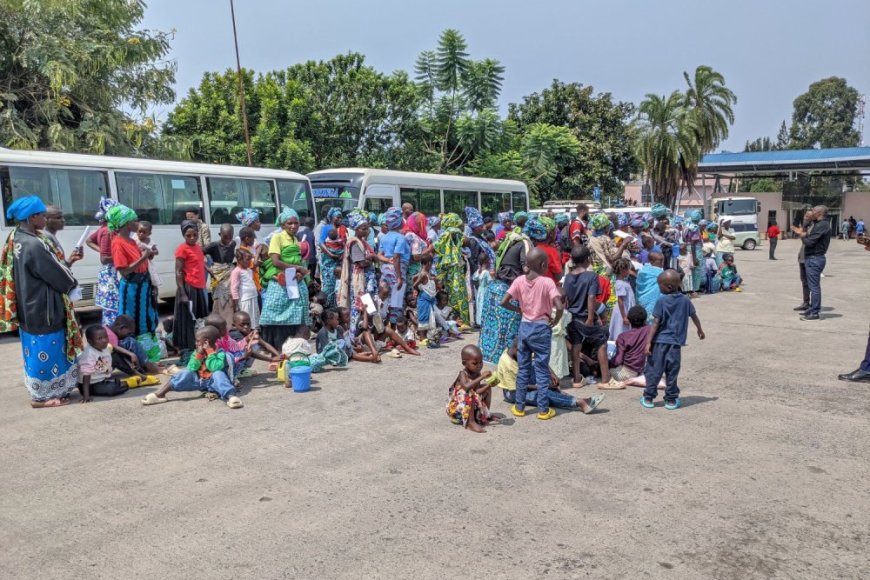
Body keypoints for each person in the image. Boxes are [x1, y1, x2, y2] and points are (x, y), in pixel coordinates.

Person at [1, 196, 82, 407]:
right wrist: (72, 285)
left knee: (33, 348)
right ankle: (44, 397)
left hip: (28, 304)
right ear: (32, 217)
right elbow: (55, 273)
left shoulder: (16, 237)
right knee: (49, 347)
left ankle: (41, 391)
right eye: (43, 216)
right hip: (43, 307)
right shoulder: (33, 244)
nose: (46, 220)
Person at [500, 247, 564, 420]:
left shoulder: (519, 281)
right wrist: (556, 320)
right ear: (543, 265)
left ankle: (519, 407)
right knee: (542, 370)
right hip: (541, 328)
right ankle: (543, 410)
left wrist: (519, 309)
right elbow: (559, 306)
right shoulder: (547, 282)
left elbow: (503, 301)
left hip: (524, 328)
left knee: (523, 369)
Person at [640, 270, 705, 410]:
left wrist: (648, 342)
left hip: (659, 342)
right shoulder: (686, 300)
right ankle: (671, 399)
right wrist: (700, 330)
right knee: (672, 371)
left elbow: (655, 323)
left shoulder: (661, 301)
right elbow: (694, 316)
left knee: (654, 370)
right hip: (675, 343)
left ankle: (649, 397)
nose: (659, 288)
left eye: (660, 285)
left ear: (668, 287)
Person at [142, 326, 243, 409]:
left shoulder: (221, 354)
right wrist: (198, 355)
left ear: (206, 342)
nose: (196, 343)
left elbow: (214, 367)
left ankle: (231, 396)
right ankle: (161, 394)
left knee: (218, 373)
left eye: (198, 341)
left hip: (215, 383)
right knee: (185, 372)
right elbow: (191, 367)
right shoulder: (198, 352)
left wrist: (210, 352)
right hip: (200, 382)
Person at [107, 204, 161, 362]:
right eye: (134, 220)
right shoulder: (118, 243)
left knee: (146, 318)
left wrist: (148, 256)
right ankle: (137, 357)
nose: (137, 223)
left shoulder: (131, 240)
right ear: (125, 222)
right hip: (131, 290)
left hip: (143, 288)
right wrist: (144, 258)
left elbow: (141, 262)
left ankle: (149, 356)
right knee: (131, 322)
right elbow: (124, 271)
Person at [493, 341, 604, 413]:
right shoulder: (507, 363)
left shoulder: (521, 349)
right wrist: (540, 386)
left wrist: (552, 374)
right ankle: (579, 402)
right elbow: (518, 387)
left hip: (523, 381)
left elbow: (538, 359)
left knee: (537, 368)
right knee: (542, 394)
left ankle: (558, 394)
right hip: (513, 393)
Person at [478, 219, 534, 363]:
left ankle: (489, 356)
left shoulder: (511, 240)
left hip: (494, 289)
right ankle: (507, 359)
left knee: (493, 327)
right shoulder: (525, 243)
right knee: (509, 327)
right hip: (508, 290)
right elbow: (526, 268)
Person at [564, 245, 619, 390]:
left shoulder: (568, 277)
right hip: (585, 317)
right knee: (601, 343)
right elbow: (591, 297)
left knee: (576, 345)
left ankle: (577, 379)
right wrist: (590, 317)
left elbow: (566, 299)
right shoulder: (592, 276)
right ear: (587, 259)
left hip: (572, 316)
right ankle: (606, 379)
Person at [260, 208, 311, 347]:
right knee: (279, 313)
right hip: (281, 278)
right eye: (290, 223)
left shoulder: (295, 239)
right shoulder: (278, 237)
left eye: (296, 223)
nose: (293, 226)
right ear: (283, 225)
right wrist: (298, 268)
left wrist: (300, 273)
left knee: (296, 312)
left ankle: (292, 346)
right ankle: (278, 347)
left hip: (293, 278)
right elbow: (276, 261)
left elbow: (297, 260)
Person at [338, 209, 378, 339]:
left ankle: (368, 335)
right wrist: (371, 258)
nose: (366, 231)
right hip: (359, 282)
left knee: (369, 306)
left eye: (367, 229)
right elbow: (360, 263)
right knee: (359, 306)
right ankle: (354, 336)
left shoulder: (363, 242)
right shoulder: (354, 242)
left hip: (366, 281)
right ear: (356, 229)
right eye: (363, 228)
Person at [173, 220, 209, 365]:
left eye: (195, 234)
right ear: (184, 235)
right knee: (187, 320)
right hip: (188, 288)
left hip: (199, 288)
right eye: (189, 235)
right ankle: (186, 350)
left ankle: (198, 347)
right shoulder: (182, 249)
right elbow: (178, 271)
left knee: (199, 320)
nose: (192, 237)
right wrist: (182, 291)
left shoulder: (198, 248)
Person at [792, 205, 832, 321]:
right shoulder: (816, 224)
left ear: (819, 213)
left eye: (813, 211)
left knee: (814, 287)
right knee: (810, 284)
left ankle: (815, 312)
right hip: (811, 258)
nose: (811, 213)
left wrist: (802, 235)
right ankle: (811, 307)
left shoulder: (822, 225)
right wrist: (803, 232)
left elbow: (809, 242)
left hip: (815, 258)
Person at [445, 345, 496, 433]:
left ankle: (485, 415)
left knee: (486, 388)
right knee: (468, 392)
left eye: (481, 362)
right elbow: (466, 387)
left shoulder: (477, 373)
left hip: (469, 405)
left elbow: (477, 391)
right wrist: (482, 376)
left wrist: (489, 385)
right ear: (464, 363)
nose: (479, 366)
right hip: (457, 409)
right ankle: (470, 423)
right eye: (475, 363)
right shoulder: (463, 374)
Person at [433, 212, 470, 327]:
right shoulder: (454, 232)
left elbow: (436, 246)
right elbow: (466, 241)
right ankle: (462, 320)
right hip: (455, 268)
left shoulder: (445, 233)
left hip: (448, 268)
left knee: (452, 293)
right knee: (459, 293)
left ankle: (456, 319)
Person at [88, 197, 120, 326]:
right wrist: (123, 257)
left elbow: (89, 241)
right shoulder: (107, 231)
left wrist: (101, 249)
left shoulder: (105, 228)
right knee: (113, 312)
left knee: (110, 312)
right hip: (111, 276)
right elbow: (105, 258)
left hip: (109, 275)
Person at [378, 207, 412, 325]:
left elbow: (379, 256)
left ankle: (383, 325)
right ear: (399, 222)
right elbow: (397, 257)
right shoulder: (400, 238)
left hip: (385, 270)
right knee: (396, 302)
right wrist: (399, 277)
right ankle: (394, 329)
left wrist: (388, 260)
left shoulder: (384, 237)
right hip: (397, 271)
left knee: (386, 300)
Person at [104, 314, 162, 379]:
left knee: (127, 343)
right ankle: (147, 365)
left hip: (105, 364)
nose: (128, 335)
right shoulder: (110, 335)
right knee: (130, 341)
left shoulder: (107, 329)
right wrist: (132, 354)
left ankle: (145, 365)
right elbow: (115, 348)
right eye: (128, 333)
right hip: (104, 365)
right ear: (122, 328)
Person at [204, 223, 237, 327]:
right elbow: (199, 254)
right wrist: (208, 269)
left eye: (230, 237)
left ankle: (228, 324)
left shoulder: (233, 244)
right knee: (218, 299)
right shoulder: (213, 246)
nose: (228, 240)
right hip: (217, 275)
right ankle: (218, 324)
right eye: (225, 237)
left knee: (230, 298)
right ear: (219, 234)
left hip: (229, 274)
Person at [608, 305, 652, 383]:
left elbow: (618, 361)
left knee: (603, 367)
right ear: (645, 319)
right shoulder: (648, 330)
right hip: (640, 370)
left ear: (628, 319)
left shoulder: (623, 337)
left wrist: (607, 362)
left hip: (625, 373)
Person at [77, 325, 120, 403]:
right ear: (90, 341)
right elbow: (86, 376)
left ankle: (136, 374)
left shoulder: (105, 347)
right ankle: (116, 384)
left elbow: (115, 348)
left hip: (101, 377)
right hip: (90, 384)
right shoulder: (89, 354)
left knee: (118, 357)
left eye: (106, 337)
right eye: (100, 338)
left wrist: (131, 354)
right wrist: (86, 396)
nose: (104, 340)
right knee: (112, 389)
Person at [319, 207, 346, 307]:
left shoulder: (343, 229)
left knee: (340, 285)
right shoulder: (326, 228)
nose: (339, 219)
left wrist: (342, 254)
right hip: (329, 261)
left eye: (341, 217)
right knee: (329, 285)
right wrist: (331, 254)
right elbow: (321, 243)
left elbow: (345, 244)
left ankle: (337, 306)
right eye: (337, 217)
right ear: (331, 218)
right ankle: (328, 307)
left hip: (340, 260)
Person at [231, 247, 260, 329]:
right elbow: (234, 288)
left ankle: (254, 333)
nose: (250, 261)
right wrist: (236, 305)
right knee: (247, 319)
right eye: (248, 259)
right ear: (239, 260)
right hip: (245, 300)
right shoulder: (236, 271)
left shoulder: (249, 270)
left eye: (250, 259)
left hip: (253, 298)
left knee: (254, 319)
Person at [609, 257, 636, 341]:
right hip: (623, 311)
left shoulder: (623, 282)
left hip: (625, 308)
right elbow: (620, 300)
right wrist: (624, 316)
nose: (629, 271)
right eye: (628, 269)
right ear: (622, 270)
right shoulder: (620, 284)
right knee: (621, 329)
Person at [793, 209, 814, 312]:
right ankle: (806, 302)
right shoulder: (805, 228)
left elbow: (808, 241)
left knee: (811, 283)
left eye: (807, 217)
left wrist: (801, 233)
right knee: (804, 281)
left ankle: (813, 305)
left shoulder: (813, 228)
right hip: (802, 257)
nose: (805, 218)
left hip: (810, 258)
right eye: (805, 216)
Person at [636, 252, 665, 322]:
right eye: (660, 261)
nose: (662, 263)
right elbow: (640, 283)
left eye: (663, 260)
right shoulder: (644, 271)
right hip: (646, 298)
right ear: (651, 261)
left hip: (655, 298)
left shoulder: (644, 269)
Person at [472, 252, 492, 328]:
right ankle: (484, 321)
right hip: (485, 291)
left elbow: (474, 278)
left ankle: (479, 321)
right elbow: (490, 282)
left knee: (479, 306)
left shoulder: (478, 271)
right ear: (486, 261)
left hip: (480, 291)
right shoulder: (486, 272)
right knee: (484, 306)